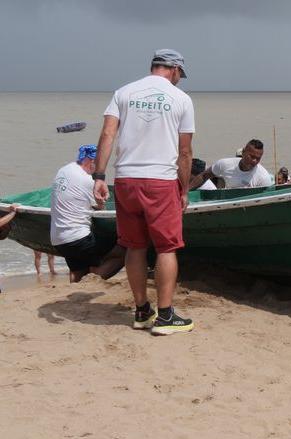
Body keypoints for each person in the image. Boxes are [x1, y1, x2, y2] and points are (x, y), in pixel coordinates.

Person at [93, 49, 195, 335]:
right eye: (179, 75)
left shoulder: (123, 92)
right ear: (174, 69)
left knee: (134, 245)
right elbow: (185, 152)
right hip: (160, 181)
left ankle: (141, 311)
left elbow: (107, 134)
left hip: (126, 179)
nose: (179, 80)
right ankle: (165, 317)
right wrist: (184, 189)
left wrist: (99, 176)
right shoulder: (182, 99)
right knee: (166, 247)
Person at [51, 144, 126, 283]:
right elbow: (100, 207)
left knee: (77, 268)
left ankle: (75, 288)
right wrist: (103, 200)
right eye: (98, 165)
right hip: (78, 238)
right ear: (91, 162)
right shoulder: (87, 180)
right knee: (124, 250)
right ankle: (94, 279)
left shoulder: (64, 169)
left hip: (58, 239)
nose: (98, 171)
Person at [191, 139, 273, 189]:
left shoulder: (263, 178)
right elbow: (203, 176)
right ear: (243, 152)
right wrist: (186, 192)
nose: (254, 161)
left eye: (258, 158)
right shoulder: (224, 164)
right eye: (251, 156)